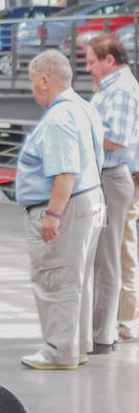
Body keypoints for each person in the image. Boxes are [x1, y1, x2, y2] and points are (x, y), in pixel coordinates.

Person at [15, 49, 105, 370]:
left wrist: (52, 214)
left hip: (65, 207)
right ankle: (77, 346)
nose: (32, 89)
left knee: (56, 279)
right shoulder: (84, 108)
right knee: (77, 278)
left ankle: (59, 352)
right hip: (90, 200)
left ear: (44, 80)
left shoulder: (58, 118)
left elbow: (64, 172)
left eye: (32, 82)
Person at [85, 34, 139, 349]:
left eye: (92, 61)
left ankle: (112, 328)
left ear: (109, 60)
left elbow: (117, 137)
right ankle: (112, 324)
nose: (88, 67)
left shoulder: (120, 90)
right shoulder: (112, 89)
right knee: (113, 253)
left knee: (113, 256)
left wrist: (83, 131)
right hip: (115, 176)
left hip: (116, 176)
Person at [118, 144, 139, 340]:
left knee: (125, 247)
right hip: (124, 175)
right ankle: (124, 319)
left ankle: (126, 321)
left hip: (127, 175)